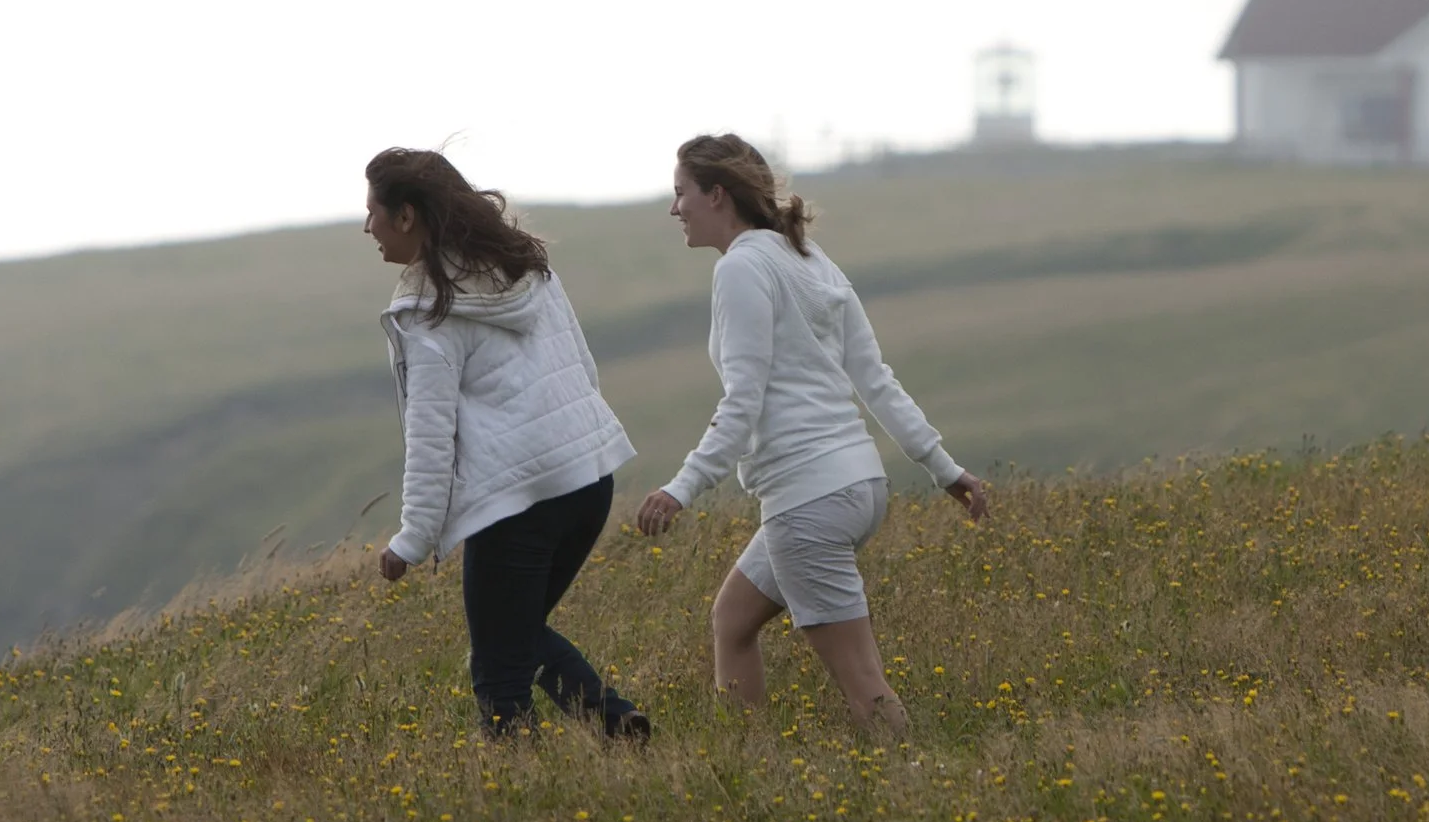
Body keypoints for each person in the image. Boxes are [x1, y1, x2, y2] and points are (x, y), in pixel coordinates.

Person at [635, 134, 988, 735]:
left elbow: (742, 401)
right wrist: (945, 469)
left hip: (809, 501)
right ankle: (745, 767)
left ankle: (924, 783)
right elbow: (876, 380)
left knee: (865, 685)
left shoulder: (742, 266)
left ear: (716, 195)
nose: (674, 209)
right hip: (857, 486)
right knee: (732, 620)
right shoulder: (809, 257)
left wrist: (680, 489)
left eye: (680, 194)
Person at [365, 147, 649, 741]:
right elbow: (583, 368)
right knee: (514, 637)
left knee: (499, 669)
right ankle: (618, 724)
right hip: (588, 481)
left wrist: (411, 540)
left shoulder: (429, 313)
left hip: (520, 502)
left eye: (375, 213)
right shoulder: (527, 270)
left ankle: (516, 792)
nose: (369, 227)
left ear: (408, 216)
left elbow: (430, 437)